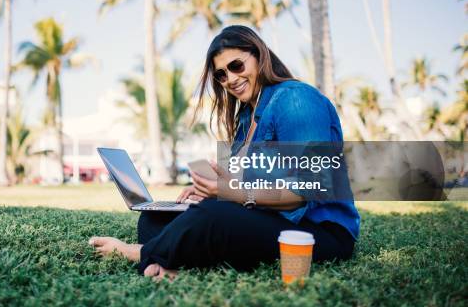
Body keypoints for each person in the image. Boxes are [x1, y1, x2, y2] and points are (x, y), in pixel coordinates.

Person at [89, 25, 360, 281]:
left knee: (212, 218)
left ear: (259, 56)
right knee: (155, 218)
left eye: (236, 66)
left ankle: (140, 253)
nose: (230, 79)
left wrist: (231, 194)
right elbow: (247, 188)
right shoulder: (246, 117)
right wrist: (215, 190)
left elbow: (305, 191)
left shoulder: (296, 99)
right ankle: (174, 261)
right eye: (221, 74)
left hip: (318, 233)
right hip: (270, 220)